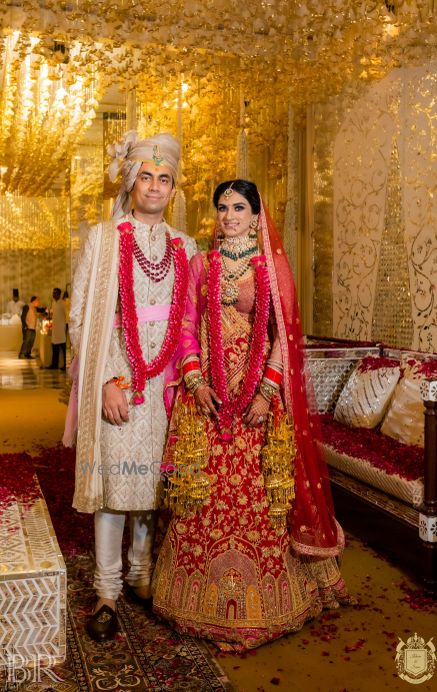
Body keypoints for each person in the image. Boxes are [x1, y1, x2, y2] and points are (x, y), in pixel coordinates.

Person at [152, 179, 352, 651]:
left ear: (256, 215)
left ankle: (266, 606)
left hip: (257, 396)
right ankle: (199, 605)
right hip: (207, 402)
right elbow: (184, 326)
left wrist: (267, 390)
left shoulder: (272, 268)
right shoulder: (202, 264)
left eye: (238, 207)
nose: (228, 216)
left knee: (259, 497)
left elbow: (284, 334)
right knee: (203, 495)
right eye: (222, 208)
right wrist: (196, 380)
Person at [66, 131, 196, 642]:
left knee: (152, 486)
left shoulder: (185, 247)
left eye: (165, 179)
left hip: (167, 381)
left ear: (173, 188)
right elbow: (80, 318)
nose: (155, 187)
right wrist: (102, 382)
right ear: (131, 179)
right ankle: (106, 591)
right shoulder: (104, 238)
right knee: (115, 486)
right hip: (119, 371)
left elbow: (192, 321)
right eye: (146, 176)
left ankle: (142, 572)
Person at [48, 288, 67, 370]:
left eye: (55, 293)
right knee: (54, 347)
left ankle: (65, 365)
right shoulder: (53, 303)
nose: (54, 295)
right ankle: (54, 365)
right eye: (53, 293)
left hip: (61, 329)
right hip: (55, 329)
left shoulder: (63, 303)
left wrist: (66, 326)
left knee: (63, 348)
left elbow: (66, 315)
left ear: (59, 294)